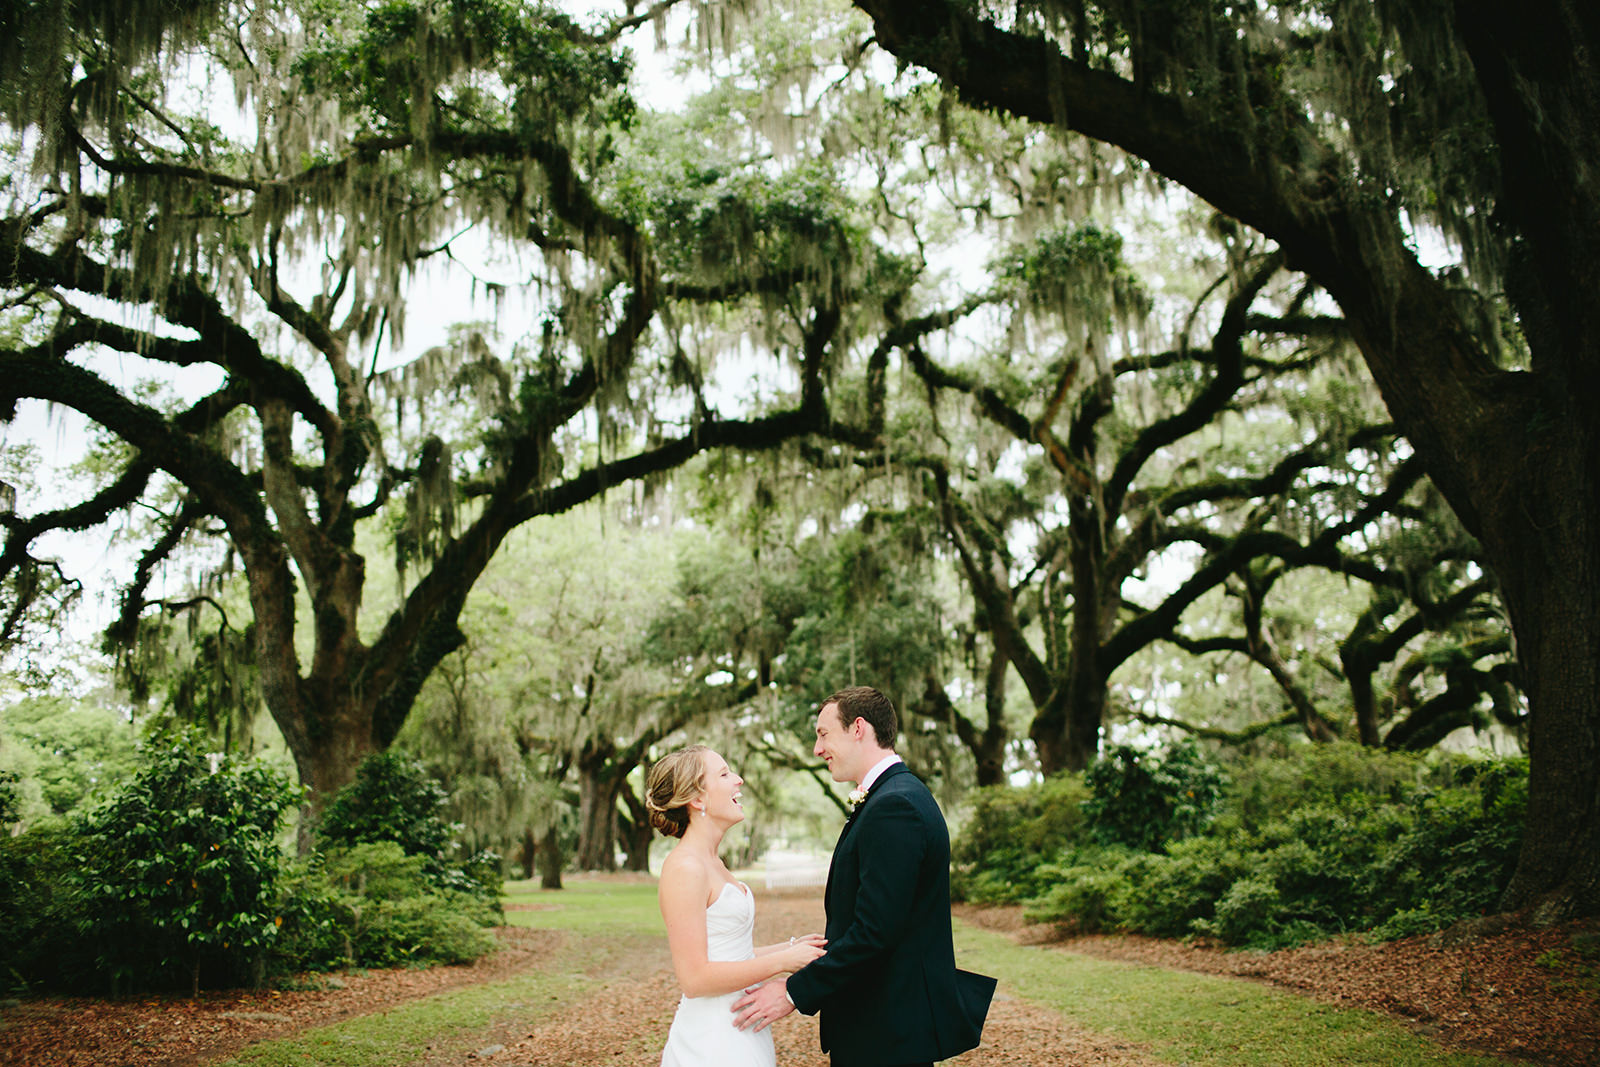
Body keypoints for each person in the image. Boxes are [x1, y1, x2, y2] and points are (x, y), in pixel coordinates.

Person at [731, 686, 995, 1067]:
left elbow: (875, 932)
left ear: (858, 728)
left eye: (823, 734)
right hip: (881, 1022)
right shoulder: (891, 797)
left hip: (887, 1029)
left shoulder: (895, 807)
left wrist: (792, 992)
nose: (817, 749)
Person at [646, 745, 827, 1067]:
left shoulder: (713, 861)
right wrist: (784, 960)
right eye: (725, 774)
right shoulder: (685, 867)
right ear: (697, 799)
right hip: (712, 1040)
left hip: (742, 1025)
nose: (739, 780)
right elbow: (695, 978)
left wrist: (788, 949)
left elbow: (727, 953)